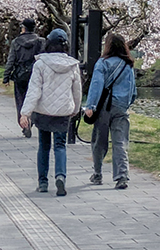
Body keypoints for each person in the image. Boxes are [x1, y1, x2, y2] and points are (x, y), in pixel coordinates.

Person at [19, 28, 81, 196]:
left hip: (43, 111)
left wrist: (25, 113)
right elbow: (77, 91)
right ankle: (60, 176)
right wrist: (75, 109)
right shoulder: (72, 65)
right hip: (63, 112)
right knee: (60, 146)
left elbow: (34, 90)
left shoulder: (40, 64)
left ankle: (43, 182)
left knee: (44, 146)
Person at [84, 33, 137, 189]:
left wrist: (91, 106)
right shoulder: (128, 65)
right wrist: (127, 103)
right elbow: (133, 90)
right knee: (120, 142)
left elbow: (96, 85)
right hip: (121, 107)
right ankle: (122, 176)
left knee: (99, 140)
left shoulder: (102, 63)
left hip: (104, 107)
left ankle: (98, 173)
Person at [3, 18, 43, 137]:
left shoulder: (16, 42)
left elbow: (11, 60)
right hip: (36, 74)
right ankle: (32, 119)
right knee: (36, 98)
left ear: (23, 28)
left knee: (21, 99)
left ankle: (24, 122)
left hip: (20, 74)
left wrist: (6, 76)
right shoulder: (41, 41)